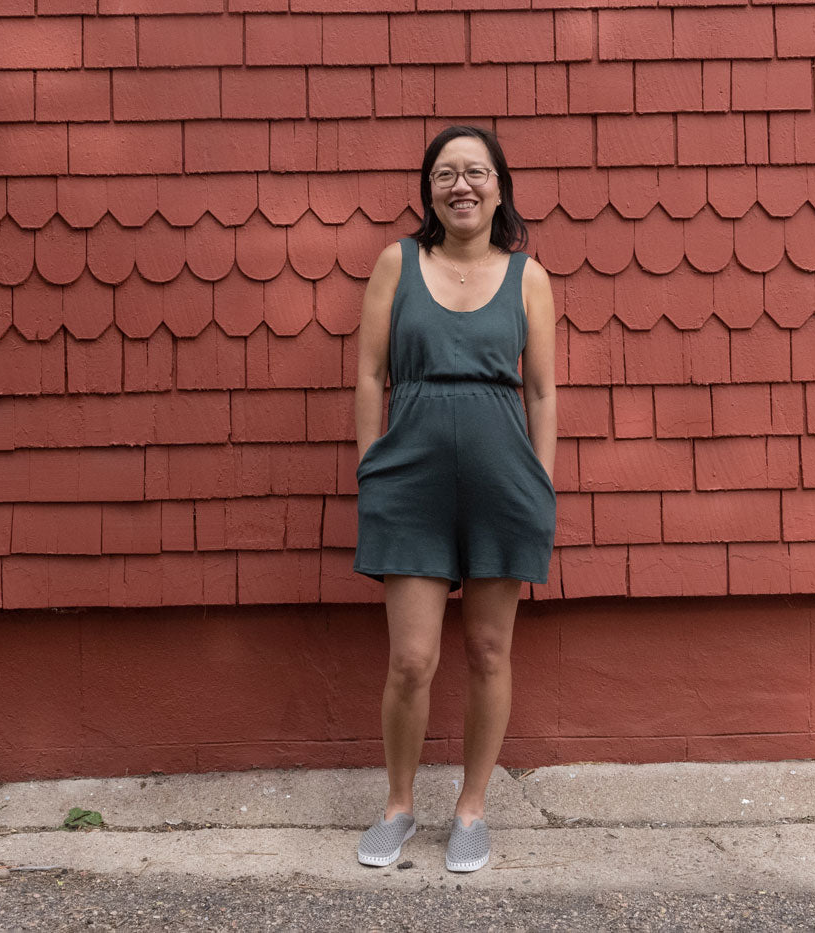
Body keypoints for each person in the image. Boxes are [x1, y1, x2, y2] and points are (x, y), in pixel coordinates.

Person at [351, 125, 557, 873]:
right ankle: (399, 806)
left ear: (500, 186)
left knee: (489, 649)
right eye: (445, 174)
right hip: (409, 482)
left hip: (505, 484)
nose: (460, 185)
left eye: (475, 172)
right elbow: (371, 375)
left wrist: (541, 481)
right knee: (411, 658)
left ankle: (471, 809)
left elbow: (540, 388)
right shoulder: (396, 264)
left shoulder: (528, 277)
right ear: (429, 190)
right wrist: (372, 470)